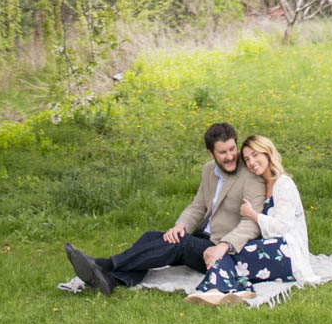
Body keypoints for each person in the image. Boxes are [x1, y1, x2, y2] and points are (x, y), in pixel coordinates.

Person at [64, 121, 266, 295]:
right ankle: (111, 280)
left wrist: (223, 246)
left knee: (180, 243)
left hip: (224, 250)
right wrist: (180, 226)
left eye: (232, 149)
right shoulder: (208, 170)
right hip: (201, 238)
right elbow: (197, 206)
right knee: (152, 238)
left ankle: (103, 264)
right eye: (223, 152)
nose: (230, 156)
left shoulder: (250, 178)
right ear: (211, 152)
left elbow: (252, 224)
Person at [186, 133, 308, 304]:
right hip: (270, 247)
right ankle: (235, 290)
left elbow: (282, 228)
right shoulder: (262, 185)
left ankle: (215, 287)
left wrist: (253, 215)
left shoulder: (283, 184)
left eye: (255, 155)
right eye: (247, 159)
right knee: (230, 250)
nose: (251, 162)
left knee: (227, 250)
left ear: (268, 153)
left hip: (289, 251)